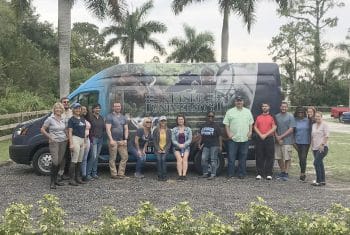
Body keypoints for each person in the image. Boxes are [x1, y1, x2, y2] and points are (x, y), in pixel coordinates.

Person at [223, 95, 253, 179]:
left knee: (243, 157)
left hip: (244, 138)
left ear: (243, 102)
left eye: (240, 101)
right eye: (237, 101)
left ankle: (242, 173)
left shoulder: (248, 112)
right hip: (233, 139)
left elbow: (251, 123)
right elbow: (226, 123)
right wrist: (229, 133)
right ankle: (230, 173)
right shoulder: (230, 111)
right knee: (231, 157)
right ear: (235, 102)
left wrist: (250, 132)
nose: (239, 102)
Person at [40, 102, 68, 189]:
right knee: (55, 161)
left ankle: (56, 180)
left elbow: (65, 129)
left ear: (62, 109)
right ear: (54, 109)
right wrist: (49, 136)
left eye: (60, 108)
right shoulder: (50, 119)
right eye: (56, 108)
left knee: (59, 161)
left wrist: (67, 137)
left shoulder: (63, 118)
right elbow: (42, 129)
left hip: (63, 141)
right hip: (54, 142)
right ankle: (52, 182)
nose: (58, 110)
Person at [105, 102, 129, 179]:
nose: (118, 107)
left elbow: (126, 129)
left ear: (121, 107)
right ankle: (114, 174)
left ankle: (121, 173)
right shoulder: (109, 116)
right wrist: (111, 140)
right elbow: (108, 129)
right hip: (113, 141)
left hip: (121, 141)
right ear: (113, 107)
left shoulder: (123, 117)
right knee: (113, 158)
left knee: (125, 157)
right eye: (116, 106)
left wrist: (125, 139)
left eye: (119, 106)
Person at [254, 103, 277, 180]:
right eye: (263, 106)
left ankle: (269, 173)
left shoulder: (272, 116)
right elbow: (255, 127)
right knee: (259, 156)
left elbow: (274, 127)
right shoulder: (258, 117)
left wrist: (265, 135)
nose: (264, 107)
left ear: (269, 107)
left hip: (269, 138)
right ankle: (259, 173)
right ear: (261, 108)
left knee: (270, 156)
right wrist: (261, 134)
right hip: (259, 138)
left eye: (266, 106)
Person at [275, 102, 296, 181]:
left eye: (285, 107)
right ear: (280, 107)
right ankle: (282, 171)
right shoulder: (276, 116)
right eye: (282, 107)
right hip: (278, 141)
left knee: (287, 158)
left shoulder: (291, 116)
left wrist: (281, 137)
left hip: (287, 141)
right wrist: (277, 138)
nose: (283, 108)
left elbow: (291, 129)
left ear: (287, 108)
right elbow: (274, 128)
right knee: (279, 158)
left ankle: (286, 173)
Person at [198, 111, 222, 180]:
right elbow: (201, 136)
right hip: (206, 145)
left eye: (212, 116)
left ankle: (213, 174)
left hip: (214, 145)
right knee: (203, 159)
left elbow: (220, 136)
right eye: (209, 116)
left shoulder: (216, 126)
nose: (210, 117)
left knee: (213, 160)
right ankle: (205, 173)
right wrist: (199, 143)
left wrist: (220, 146)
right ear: (207, 117)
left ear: (214, 117)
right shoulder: (203, 125)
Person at [68, 103, 86, 186]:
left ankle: (78, 178)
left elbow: (84, 131)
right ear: (73, 109)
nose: (78, 110)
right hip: (75, 139)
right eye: (76, 108)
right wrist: (71, 143)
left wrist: (85, 142)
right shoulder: (71, 120)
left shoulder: (82, 119)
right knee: (74, 159)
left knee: (80, 160)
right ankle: (71, 179)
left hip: (82, 139)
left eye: (79, 108)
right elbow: (70, 132)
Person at [311, 111, 329, 186]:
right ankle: (322, 180)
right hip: (315, 147)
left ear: (321, 117)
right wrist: (312, 146)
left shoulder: (325, 125)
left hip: (323, 147)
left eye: (319, 116)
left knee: (316, 163)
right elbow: (312, 136)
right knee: (320, 163)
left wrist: (322, 145)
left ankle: (318, 181)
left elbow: (327, 136)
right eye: (316, 116)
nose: (317, 117)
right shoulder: (314, 125)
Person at [171, 114, 192, 181]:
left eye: (182, 119)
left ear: (184, 120)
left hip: (186, 147)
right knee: (179, 160)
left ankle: (184, 175)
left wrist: (184, 145)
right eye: (179, 119)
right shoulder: (174, 129)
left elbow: (190, 139)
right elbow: (173, 139)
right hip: (176, 147)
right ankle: (180, 175)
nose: (180, 120)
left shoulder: (188, 129)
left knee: (185, 159)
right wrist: (179, 145)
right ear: (177, 121)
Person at [86, 104, 104, 180]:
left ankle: (94, 173)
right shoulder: (90, 118)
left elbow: (103, 128)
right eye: (96, 108)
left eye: (99, 108)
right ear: (93, 109)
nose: (98, 110)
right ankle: (88, 174)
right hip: (93, 138)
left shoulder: (101, 117)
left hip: (100, 138)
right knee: (93, 156)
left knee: (96, 157)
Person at [294, 106, 311, 182]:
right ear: (296, 113)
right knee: (301, 158)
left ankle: (302, 173)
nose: (300, 114)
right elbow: (292, 131)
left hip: (306, 142)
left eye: (301, 112)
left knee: (303, 157)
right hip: (297, 142)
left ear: (304, 113)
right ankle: (302, 172)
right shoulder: (294, 120)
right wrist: (293, 142)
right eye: (299, 112)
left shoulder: (308, 121)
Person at [57, 97, 72, 181]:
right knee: (61, 157)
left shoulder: (71, 112)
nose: (66, 103)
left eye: (67, 102)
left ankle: (66, 173)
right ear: (61, 103)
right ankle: (59, 174)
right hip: (61, 137)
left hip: (70, 137)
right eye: (64, 102)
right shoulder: (58, 113)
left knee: (68, 156)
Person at [153, 116, 172, 181]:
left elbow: (169, 142)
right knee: (158, 159)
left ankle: (164, 176)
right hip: (157, 149)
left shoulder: (169, 131)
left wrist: (165, 149)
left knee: (163, 159)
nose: (163, 122)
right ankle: (159, 176)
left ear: (166, 122)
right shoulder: (156, 130)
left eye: (164, 121)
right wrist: (158, 149)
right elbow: (154, 141)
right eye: (161, 121)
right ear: (159, 122)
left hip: (165, 149)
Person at [80, 106, 91, 182]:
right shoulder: (77, 119)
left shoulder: (87, 119)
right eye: (83, 109)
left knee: (85, 158)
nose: (85, 111)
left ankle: (84, 175)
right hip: (80, 140)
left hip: (87, 139)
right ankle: (78, 175)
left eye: (85, 109)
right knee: (78, 158)